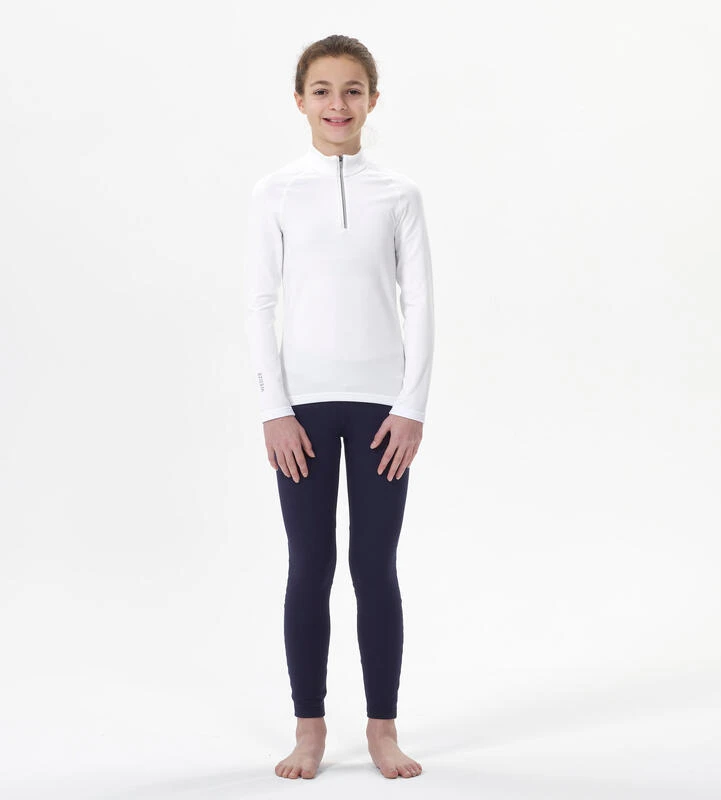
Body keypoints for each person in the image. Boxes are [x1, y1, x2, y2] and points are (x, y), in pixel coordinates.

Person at [245, 34, 434, 781]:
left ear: (372, 100)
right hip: (303, 409)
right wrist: (274, 408)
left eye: (352, 90)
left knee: (375, 564)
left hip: (384, 407)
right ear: (300, 101)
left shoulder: (400, 194)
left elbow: (420, 303)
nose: (337, 104)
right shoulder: (276, 192)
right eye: (322, 90)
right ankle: (310, 729)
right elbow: (259, 303)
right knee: (309, 563)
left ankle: (383, 728)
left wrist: (412, 404)